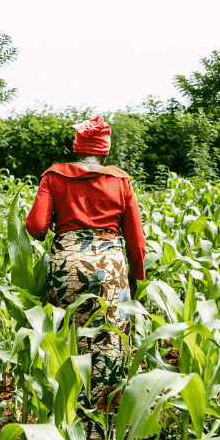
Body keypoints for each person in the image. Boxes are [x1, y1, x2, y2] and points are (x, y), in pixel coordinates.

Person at [24, 114, 147, 397]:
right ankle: (102, 424)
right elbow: (137, 244)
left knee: (67, 339)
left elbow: (37, 226)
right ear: (105, 150)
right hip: (111, 269)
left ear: (76, 147)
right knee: (110, 342)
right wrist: (136, 281)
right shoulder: (121, 182)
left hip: (67, 266)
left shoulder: (54, 176)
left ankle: (67, 415)